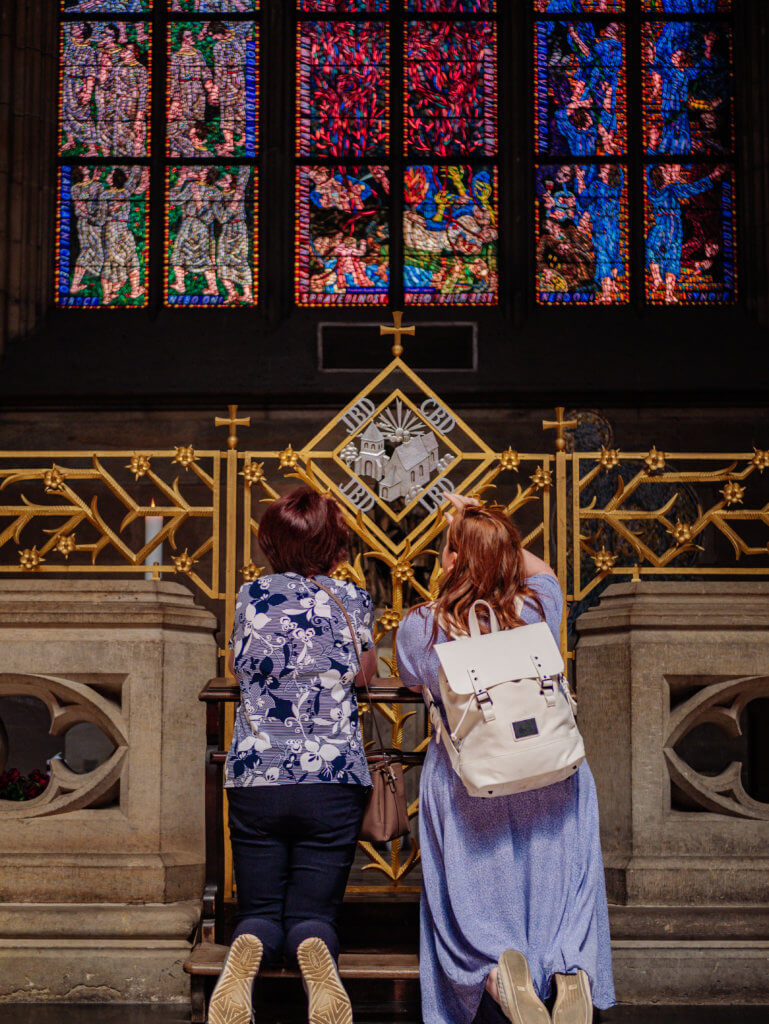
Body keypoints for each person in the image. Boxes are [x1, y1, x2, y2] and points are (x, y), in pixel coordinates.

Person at [396, 495, 615, 1024]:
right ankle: (569, 970)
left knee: (469, 887)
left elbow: (409, 679)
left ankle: (496, 971)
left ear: (452, 561)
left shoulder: (422, 627)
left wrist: (461, 536)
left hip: (473, 779)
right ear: (508, 554)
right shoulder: (540, 606)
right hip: (553, 770)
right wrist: (484, 526)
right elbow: (540, 570)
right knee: (563, 883)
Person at [207, 486, 376, 1024]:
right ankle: (315, 949)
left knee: (258, 909)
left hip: (257, 774)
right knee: (313, 912)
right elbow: (365, 674)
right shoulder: (350, 598)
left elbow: (238, 669)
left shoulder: (250, 596)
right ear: (335, 541)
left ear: (270, 544)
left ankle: (247, 948)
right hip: (332, 776)